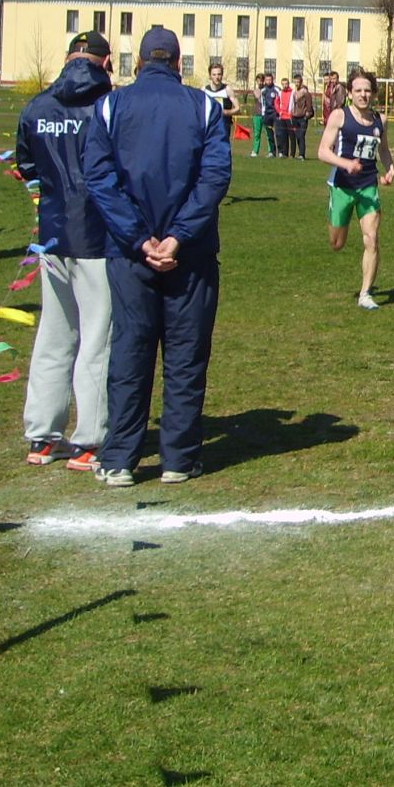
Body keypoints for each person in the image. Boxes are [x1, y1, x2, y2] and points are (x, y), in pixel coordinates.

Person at [84, 28, 232, 487]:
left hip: (133, 255)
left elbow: (99, 177)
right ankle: (178, 458)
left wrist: (140, 238)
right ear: (179, 62)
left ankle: (120, 458)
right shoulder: (204, 107)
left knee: (130, 349)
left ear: (140, 62)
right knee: (186, 356)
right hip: (188, 254)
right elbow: (214, 178)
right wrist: (177, 238)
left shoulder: (110, 106)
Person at [15, 30, 115, 471]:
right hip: (97, 235)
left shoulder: (37, 106)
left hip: (53, 233)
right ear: (105, 60)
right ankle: (90, 438)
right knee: (97, 337)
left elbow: (27, 166)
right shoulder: (109, 105)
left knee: (54, 337)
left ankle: (42, 433)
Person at [317, 73, 394, 310]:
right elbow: (323, 151)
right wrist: (346, 164)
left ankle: (365, 294)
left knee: (372, 239)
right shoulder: (340, 116)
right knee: (337, 244)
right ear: (350, 93)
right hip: (342, 186)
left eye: (368, 91)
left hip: (368, 186)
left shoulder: (380, 120)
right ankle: (340, 224)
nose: (363, 95)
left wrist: (390, 168)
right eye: (359, 91)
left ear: (373, 93)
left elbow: (383, 149)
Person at [204, 64, 236, 139]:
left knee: (223, 150)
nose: (217, 77)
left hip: (224, 127)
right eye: (214, 75)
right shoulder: (204, 90)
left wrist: (227, 112)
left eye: (219, 74)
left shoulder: (227, 89)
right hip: (209, 127)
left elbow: (238, 109)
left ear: (222, 75)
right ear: (210, 76)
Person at [256, 73, 281, 158]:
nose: (268, 81)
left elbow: (280, 102)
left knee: (278, 133)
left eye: (270, 80)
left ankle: (280, 152)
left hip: (276, 114)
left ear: (272, 80)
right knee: (269, 134)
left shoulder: (277, 89)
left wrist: (279, 112)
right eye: (267, 80)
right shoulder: (263, 90)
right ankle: (272, 152)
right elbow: (263, 103)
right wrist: (263, 114)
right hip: (267, 114)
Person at [290, 76, 315, 158]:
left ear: (301, 82)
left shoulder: (305, 92)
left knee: (301, 135)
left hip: (302, 117)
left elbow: (309, 104)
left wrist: (307, 115)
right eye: (295, 82)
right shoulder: (294, 92)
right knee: (297, 135)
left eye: (298, 82)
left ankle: (302, 154)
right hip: (295, 116)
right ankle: (299, 153)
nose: (297, 84)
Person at [274, 77, 295, 159]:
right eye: (283, 84)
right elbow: (276, 102)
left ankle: (292, 154)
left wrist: (292, 112)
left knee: (292, 135)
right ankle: (284, 153)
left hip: (290, 116)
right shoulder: (280, 93)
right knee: (283, 135)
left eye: (286, 84)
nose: (285, 86)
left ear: (288, 84)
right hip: (282, 116)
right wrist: (279, 111)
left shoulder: (293, 92)